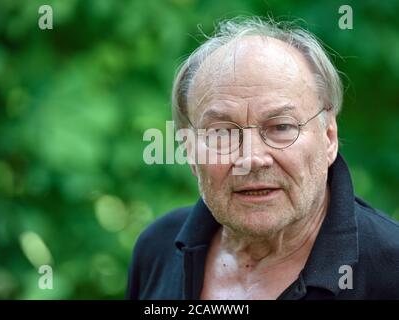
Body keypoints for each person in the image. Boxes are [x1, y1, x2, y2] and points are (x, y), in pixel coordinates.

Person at [126, 17, 399, 300]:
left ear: (328, 138)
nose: (252, 158)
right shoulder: (157, 248)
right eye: (222, 132)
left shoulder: (390, 270)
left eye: (281, 127)